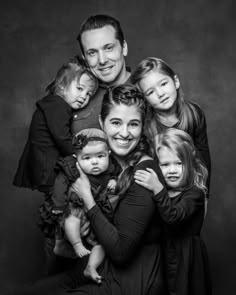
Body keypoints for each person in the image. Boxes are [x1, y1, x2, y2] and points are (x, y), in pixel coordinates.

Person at [10, 84, 167, 295]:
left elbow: (120, 252)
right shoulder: (99, 163)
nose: (124, 133)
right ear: (102, 123)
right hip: (94, 267)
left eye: (133, 124)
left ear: (142, 126)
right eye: (116, 122)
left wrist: (86, 197)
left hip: (129, 280)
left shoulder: (144, 173)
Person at [134, 128, 212, 295]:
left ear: (190, 163)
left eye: (179, 163)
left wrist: (157, 188)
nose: (172, 170)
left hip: (187, 257)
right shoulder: (161, 192)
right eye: (165, 164)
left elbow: (173, 217)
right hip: (163, 253)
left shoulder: (194, 193)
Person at [42, 128, 119, 284]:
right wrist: (59, 206)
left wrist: (114, 180)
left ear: (109, 153)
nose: (95, 162)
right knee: (71, 219)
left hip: (95, 214)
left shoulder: (111, 166)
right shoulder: (70, 169)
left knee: (101, 243)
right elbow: (59, 186)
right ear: (76, 158)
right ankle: (73, 244)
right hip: (75, 207)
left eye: (100, 156)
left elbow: (116, 172)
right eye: (87, 158)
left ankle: (91, 267)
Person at [13, 58, 97, 193]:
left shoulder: (52, 103)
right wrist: (75, 154)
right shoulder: (59, 106)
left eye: (88, 94)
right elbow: (61, 136)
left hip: (41, 161)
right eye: (80, 88)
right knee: (62, 195)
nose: (83, 96)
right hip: (47, 164)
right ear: (62, 86)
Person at [130, 57, 211, 190]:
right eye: (151, 92)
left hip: (191, 190)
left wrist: (204, 195)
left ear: (176, 81)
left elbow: (203, 158)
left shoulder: (193, 114)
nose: (160, 93)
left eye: (163, 84)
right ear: (145, 99)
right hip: (160, 192)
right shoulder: (146, 126)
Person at [71, 14, 131, 135]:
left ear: (123, 47)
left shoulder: (149, 90)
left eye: (108, 48)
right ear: (85, 58)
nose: (102, 60)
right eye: (92, 53)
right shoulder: (74, 93)